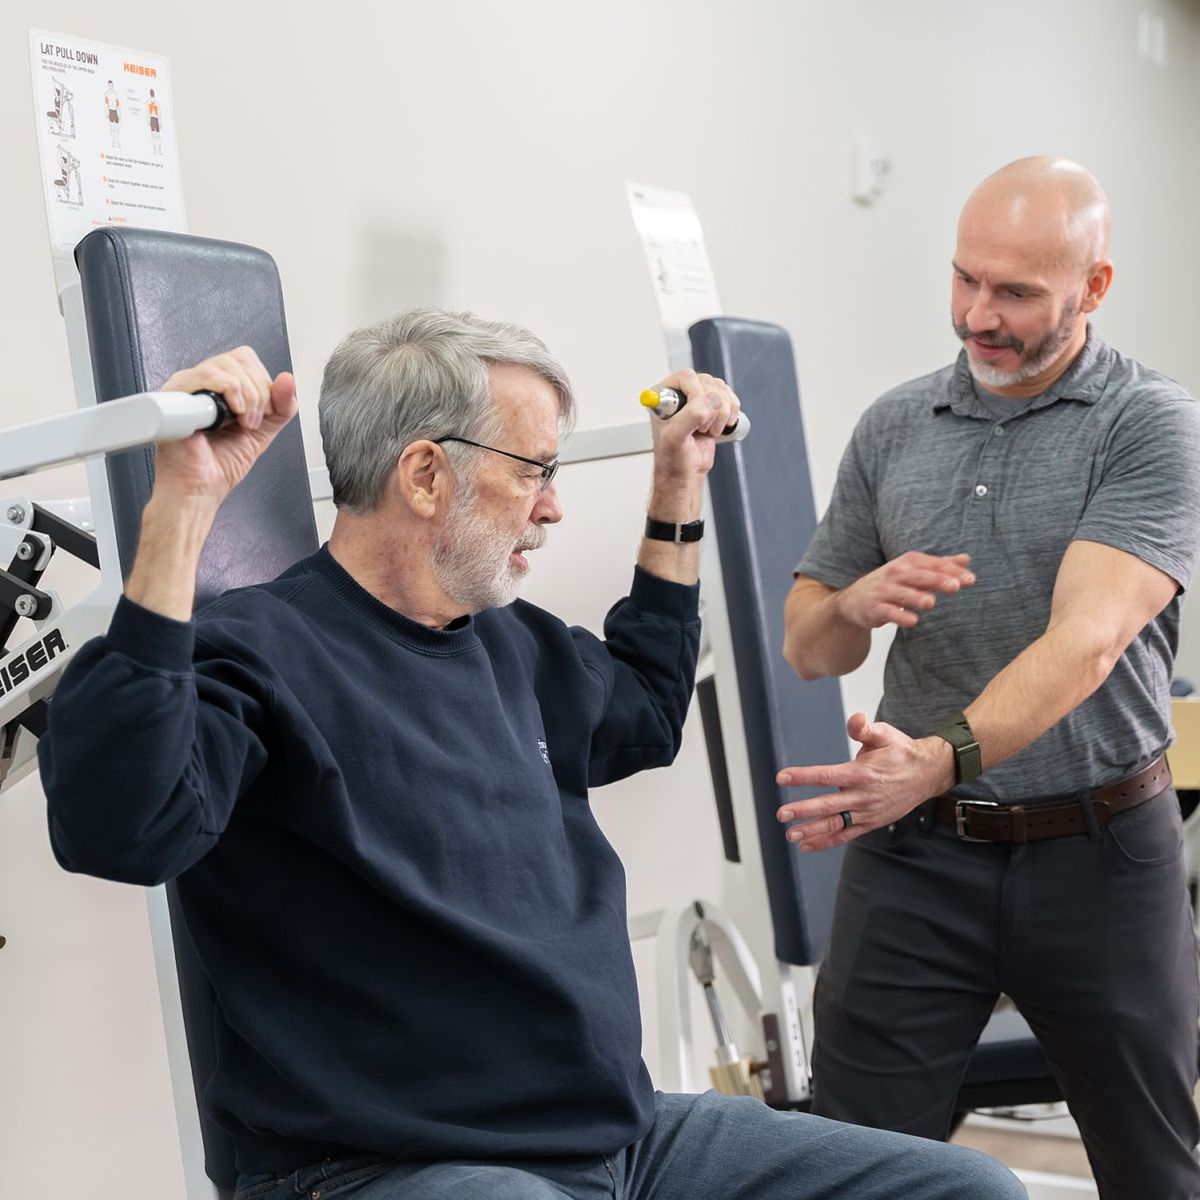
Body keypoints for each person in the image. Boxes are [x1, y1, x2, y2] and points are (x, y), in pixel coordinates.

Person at [39, 310, 1021, 1200]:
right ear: (426, 475)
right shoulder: (255, 653)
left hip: (622, 1142)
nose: (551, 508)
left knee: (975, 1193)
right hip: (393, 1165)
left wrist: (677, 480)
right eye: (534, 472)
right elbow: (127, 826)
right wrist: (185, 508)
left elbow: (643, 709)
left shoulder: (514, 642)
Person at [777, 157, 1200, 1198]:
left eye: (1014, 292)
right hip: (918, 861)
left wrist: (935, 759)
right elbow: (808, 646)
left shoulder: (1148, 425)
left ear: (1094, 287)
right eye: (965, 279)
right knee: (851, 1169)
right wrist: (850, 604)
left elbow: (1087, 643)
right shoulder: (893, 425)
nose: (977, 314)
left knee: (1155, 1171)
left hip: (1099, 854)